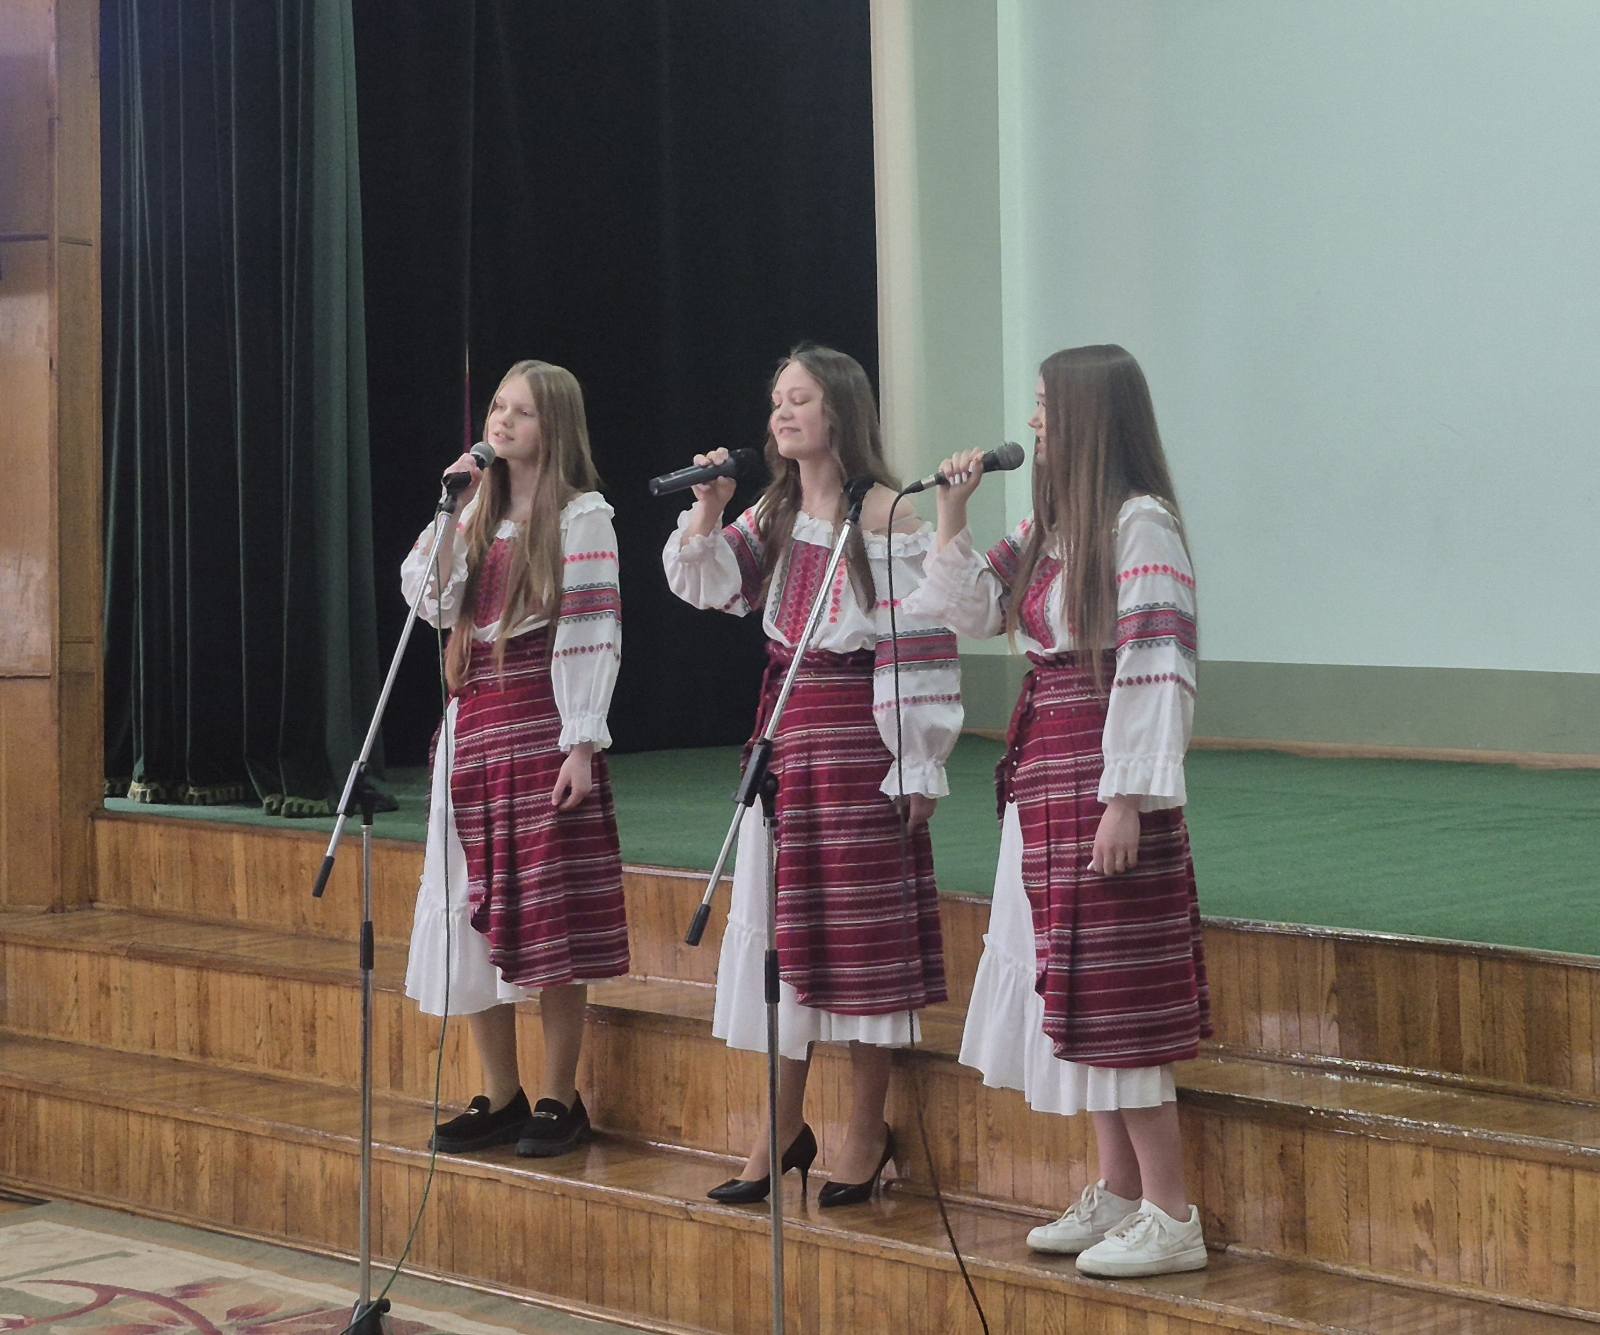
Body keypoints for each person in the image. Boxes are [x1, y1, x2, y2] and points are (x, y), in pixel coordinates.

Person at [909, 344, 1211, 1277]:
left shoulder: (1140, 524)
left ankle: (1172, 1211)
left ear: (1089, 415)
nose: (1033, 421)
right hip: (1047, 769)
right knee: (1073, 975)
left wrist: (1127, 797)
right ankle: (1119, 1187)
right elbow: (977, 610)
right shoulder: (1051, 525)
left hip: (1099, 772)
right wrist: (952, 514)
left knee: (1118, 985)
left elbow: (1158, 662)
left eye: (1045, 405)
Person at [662, 345, 961, 1206]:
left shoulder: (889, 515)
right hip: (786, 741)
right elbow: (708, 585)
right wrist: (709, 508)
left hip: (862, 743)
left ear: (841, 411)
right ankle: (779, 1125)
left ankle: (867, 1127)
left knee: (862, 942)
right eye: (777, 401)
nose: (782, 413)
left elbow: (921, 642)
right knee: (783, 939)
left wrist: (918, 762)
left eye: (800, 398)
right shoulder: (776, 509)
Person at [401, 359, 626, 1159]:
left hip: (540, 725)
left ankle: (561, 1095)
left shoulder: (581, 517)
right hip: (472, 730)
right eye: (498, 406)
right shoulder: (474, 512)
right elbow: (428, 602)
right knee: (466, 912)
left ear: (553, 426)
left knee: (549, 912)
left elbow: (593, 629)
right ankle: (500, 1090)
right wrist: (451, 512)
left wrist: (580, 741)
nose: (501, 421)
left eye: (521, 412)